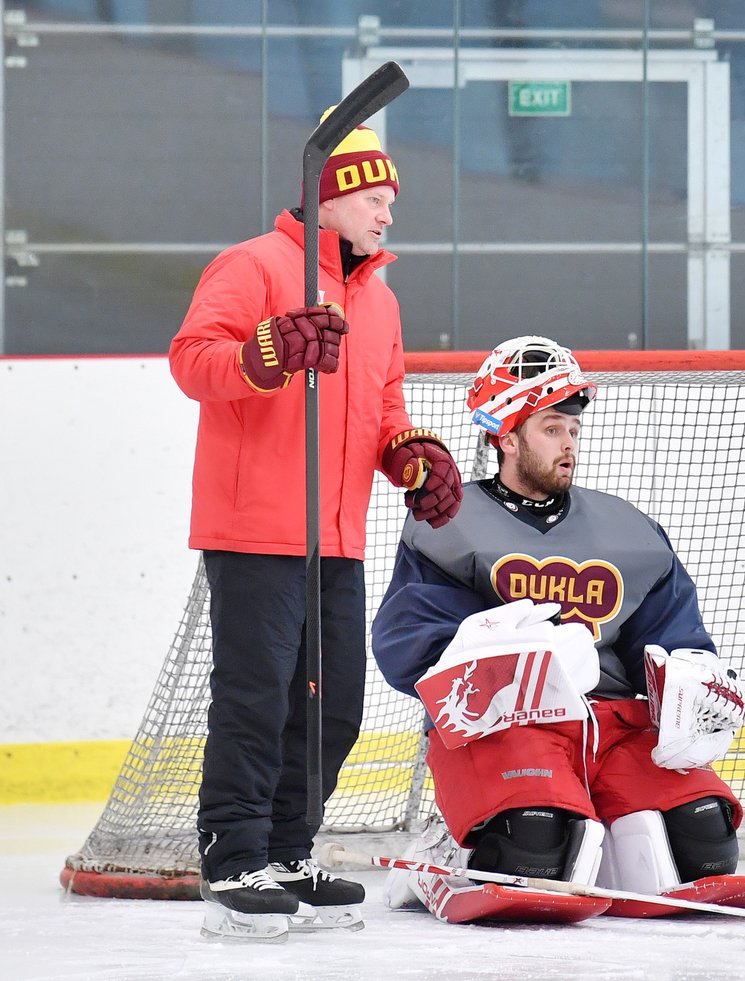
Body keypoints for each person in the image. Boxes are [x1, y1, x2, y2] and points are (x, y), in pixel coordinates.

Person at [169, 119, 463, 941]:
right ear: (331, 196)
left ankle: (291, 849)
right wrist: (264, 353)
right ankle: (234, 857)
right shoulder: (254, 265)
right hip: (254, 530)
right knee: (255, 700)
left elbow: (384, 410)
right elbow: (193, 359)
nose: (388, 214)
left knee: (332, 709)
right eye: (376, 196)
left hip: (334, 535)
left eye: (391, 200)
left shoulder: (382, 298)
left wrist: (411, 457)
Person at [370, 335, 745, 923]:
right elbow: (408, 646)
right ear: (506, 436)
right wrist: (519, 662)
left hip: (615, 724)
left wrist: (692, 685)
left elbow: (674, 634)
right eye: (551, 429)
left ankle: (604, 846)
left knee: (703, 843)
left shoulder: (628, 528)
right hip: (508, 726)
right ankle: (457, 846)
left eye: (573, 429)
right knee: (533, 843)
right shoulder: (448, 524)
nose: (569, 444)